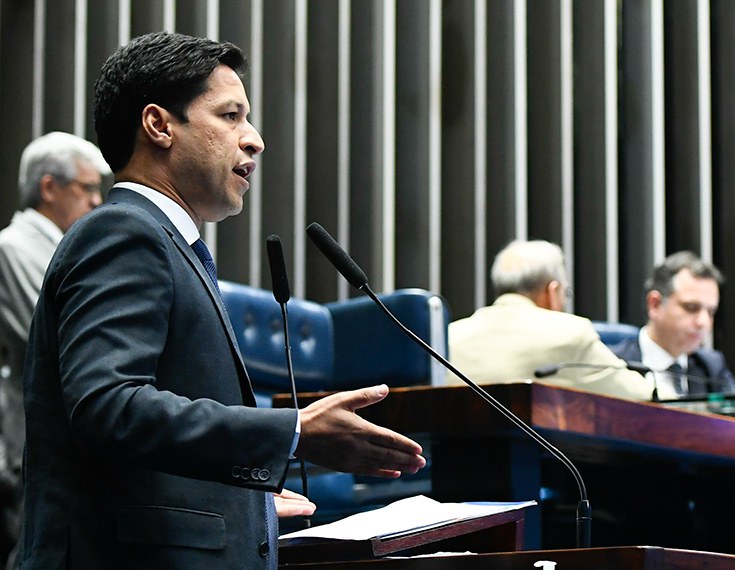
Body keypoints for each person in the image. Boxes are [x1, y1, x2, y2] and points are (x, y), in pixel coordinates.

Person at [18, 32, 425, 569]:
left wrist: (243, 506)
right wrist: (294, 432)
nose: (254, 140)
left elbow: (142, 454)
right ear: (159, 125)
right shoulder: (123, 233)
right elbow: (108, 406)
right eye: (231, 116)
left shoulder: (162, 241)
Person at [0, 131, 111, 564]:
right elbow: (60, 335)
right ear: (49, 188)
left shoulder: (60, 247)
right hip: (36, 444)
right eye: (87, 188)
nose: (97, 201)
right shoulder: (12, 248)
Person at [445, 240, 652, 400]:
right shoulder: (570, 333)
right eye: (565, 294)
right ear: (552, 291)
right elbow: (639, 395)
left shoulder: (450, 336)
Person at [610, 251, 735, 398]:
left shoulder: (712, 365)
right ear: (655, 305)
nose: (703, 322)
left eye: (711, 312)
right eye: (691, 308)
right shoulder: (613, 364)